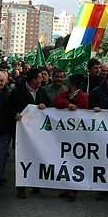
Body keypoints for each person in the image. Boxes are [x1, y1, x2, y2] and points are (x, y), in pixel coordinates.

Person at [12, 68, 50, 198]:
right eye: (39, 78)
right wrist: (15, 114)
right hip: (22, 132)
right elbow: (7, 106)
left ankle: (35, 183)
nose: (42, 80)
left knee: (36, 156)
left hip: (37, 133)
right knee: (23, 158)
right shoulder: (18, 91)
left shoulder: (42, 91)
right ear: (33, 79)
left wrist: (44, 105)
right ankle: (21, 187)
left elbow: (50, 105)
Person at [53, 74, 90, 202]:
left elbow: (84, 112)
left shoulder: (83, 97)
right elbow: (57, 101)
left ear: (73, 84)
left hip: (77, 135)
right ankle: (67, 187)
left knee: (75, 161)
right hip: (66, 134)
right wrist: (67, 104)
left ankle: (74, 189)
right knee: (66, 160)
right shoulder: (66, 95)